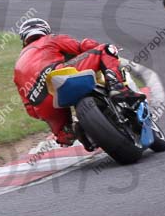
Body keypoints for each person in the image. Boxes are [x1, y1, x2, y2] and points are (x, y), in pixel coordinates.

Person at [13, 18, 145, 149]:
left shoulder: (17, 66)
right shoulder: (49, 39)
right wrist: (95, 46)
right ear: (45, 30)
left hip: (41, 103)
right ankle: (116, 86)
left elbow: (30, 109)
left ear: (24, 39)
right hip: (58, 77)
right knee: (105, 49)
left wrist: (46, 115)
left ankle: (67, 132)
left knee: (65, 136)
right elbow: (82, 46)